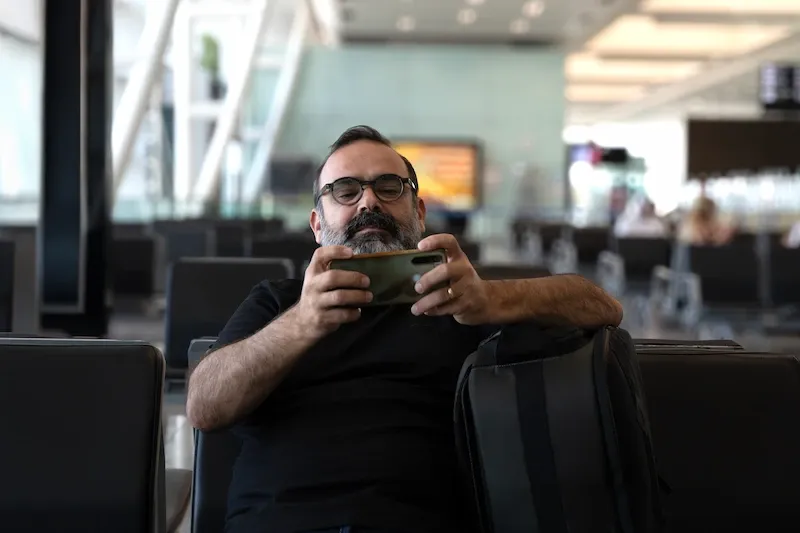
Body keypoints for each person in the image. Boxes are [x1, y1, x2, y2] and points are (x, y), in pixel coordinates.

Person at [186, 126, 624, 533]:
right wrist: (302, 323)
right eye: (346, 190)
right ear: (318, 225)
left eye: (388, 186)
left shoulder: (458, 299)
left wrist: (492, 299)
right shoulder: (278, 301)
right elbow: (205, 406)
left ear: (418, 212)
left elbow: (601, 306)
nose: (369, 202)